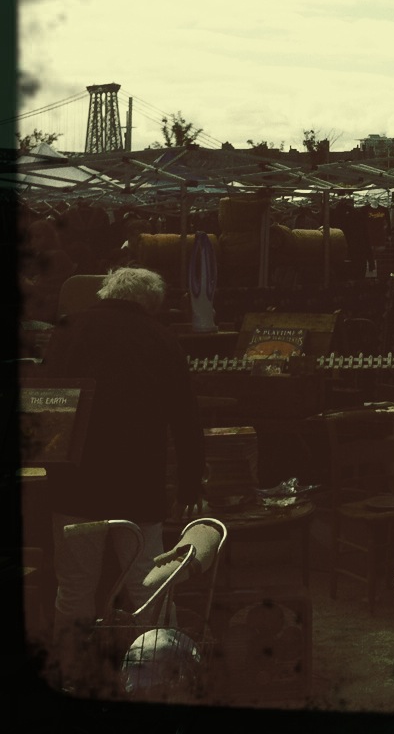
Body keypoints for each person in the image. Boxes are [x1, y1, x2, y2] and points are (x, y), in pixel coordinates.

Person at [41, 266, 206, 692]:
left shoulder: (68, 329)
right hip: (138, 483)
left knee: (75, 586)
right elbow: (185, 417)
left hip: (75, 483)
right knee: (148, 585)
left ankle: (71, 674)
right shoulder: (160, 337)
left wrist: (48, 465)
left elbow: (47, 400)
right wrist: (190, 483)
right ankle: (161, 677)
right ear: (149, 302)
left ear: (108, 292)